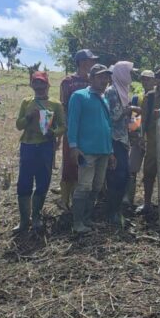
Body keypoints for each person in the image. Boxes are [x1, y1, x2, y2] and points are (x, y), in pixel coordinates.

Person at [14, 71, 66, 233]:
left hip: (45, 147)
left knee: (43, 181)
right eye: (36, 83)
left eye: (42, 83)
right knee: (24, 182)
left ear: (47, 85)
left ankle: (36, 217)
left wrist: (53, 133)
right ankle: (24, 221)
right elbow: (19, 125)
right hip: (28, 145)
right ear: (32, 85)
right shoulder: (26, 102)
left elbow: (63, 126)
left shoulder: (56, 104)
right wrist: (28, 117)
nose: (39, 86)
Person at [67, 64, 114, 233]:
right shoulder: (79, 96)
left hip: (103, 150)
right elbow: (73, 122)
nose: (104, 80)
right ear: (91, 78)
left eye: (106, 77)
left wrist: (111, 152)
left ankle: (87, 219)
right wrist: (73, 146)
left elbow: (108, 126)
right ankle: (77, 222)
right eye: (101, 77)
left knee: (97, 186)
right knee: (84, 186)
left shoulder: (105, 99)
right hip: (86, 150)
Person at [59, 49, 98, 209]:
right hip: (72, 129)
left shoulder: (93, 82)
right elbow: (63, 107)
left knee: (85, 164)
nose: (93, 63)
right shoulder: (68, 82)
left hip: (89, 131)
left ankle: (78, 200)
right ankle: (64, 200)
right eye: (91, 60)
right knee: (70, 163)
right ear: (82, 62)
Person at [105, 61, 141, 226]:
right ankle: (113, 213)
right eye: (129, 72)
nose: (131, 76)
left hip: (122, 139)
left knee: (123, 176)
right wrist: (128, 110)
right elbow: (111, 117)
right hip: (113, 140)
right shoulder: (111, 92)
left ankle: (116, 212)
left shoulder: (123, 91)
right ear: (121, 73)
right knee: (117, 177)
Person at [138, 67, 160, 215]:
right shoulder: (150, 96)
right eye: (159, 77)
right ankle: (147, 204)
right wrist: (141, 137)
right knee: (149, 171)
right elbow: (144, 119)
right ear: (155, 79)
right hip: (153, 139)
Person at [124, 70, 155, 207]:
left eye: (148, 79)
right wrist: (135, 136)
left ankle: (149, 201)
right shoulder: (137, 98)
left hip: (154, 139)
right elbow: (134, 120)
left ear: (153, 81)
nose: (145, 81)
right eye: (143, 79)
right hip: (139, 138)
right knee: (132, 168)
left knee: (150, 171)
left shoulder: (159, 97)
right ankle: (128, 197)